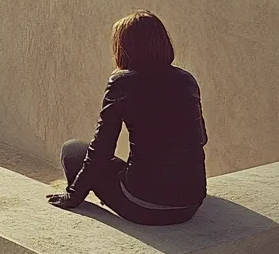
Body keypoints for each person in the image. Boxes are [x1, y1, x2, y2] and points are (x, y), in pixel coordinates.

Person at [46, 12, 207, 225]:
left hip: (146, 207)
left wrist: (73, 196)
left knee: (72, 150)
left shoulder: (122, 82)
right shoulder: (186, 80)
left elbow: (102, 149)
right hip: (190, 204)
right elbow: (200, 138)